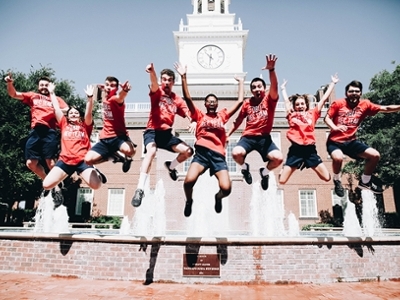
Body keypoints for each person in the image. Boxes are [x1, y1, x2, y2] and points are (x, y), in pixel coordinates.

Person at [174, 62, 244, 217]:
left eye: (214, 101)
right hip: (201, 155)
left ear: (217, 104)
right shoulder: (199, 115)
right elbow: (187, 98)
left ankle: (217, 198)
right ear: (205, 104)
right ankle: (189, 201)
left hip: (218, 157)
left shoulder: (223, 115)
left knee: (226, 189)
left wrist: (240, 83)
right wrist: (183, 76)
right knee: (188, 182)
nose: (212, 103)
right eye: (209, 101)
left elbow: (239, 102)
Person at [131, 63, 194, 208]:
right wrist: (152, 72)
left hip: (166, 135)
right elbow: (153, 83)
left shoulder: (176, 99)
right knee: (151, 151)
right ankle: (140, 189)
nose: (166, 82)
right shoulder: (157, 93)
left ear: (173, 82)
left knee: (188, 151)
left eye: (169, 80)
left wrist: (193, 122)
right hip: (152, 131)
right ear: (161, 81)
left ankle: (171, 166)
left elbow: (187, 112)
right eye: (164, 79)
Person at [324, 80, 400, 196]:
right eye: (351, 91)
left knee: (375, 155)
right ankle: (337, 179)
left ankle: (365, 182)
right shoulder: (338, 103)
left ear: (360, 93)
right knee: (338, 158)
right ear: (346, 93)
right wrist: (335, 127)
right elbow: (327, 118)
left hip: (351, 142)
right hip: (334, 142)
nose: (353, 93)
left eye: (356, 91)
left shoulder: (365, 105)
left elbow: (385, 108)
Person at [43, 83, 106, 206]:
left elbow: (88, 114)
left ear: (79, 116)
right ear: (67, 116)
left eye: (76, 113)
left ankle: (95, 171)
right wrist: (51, 92)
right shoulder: (63, 123)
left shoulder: (85, 126)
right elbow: (56, 109)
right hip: (65, 161)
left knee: (96, 185)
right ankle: (61, 181)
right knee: (46, 185)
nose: (73, 114)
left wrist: (89, 98)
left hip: (83, 161)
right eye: (71, 113)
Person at [227, 54, 282, 191]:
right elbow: (238, 120)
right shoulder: (247, 103)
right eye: (254, 87)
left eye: (259, 86)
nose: (257, 89)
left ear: (264, 88)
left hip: (264, 139)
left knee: (278, 158)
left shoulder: (270, 100)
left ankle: (264, 173)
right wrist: (227, 134)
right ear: (251, 90)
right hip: (248, 138)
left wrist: (271, 70)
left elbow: (275, 86)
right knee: (236, 153)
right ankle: (245, 169)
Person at [4, 73, 68, 182]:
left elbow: (66, 110)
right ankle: (46, 180)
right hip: (36, 131)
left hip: (50, 131)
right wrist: (10, 83)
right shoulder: (33, 96)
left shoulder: (56, 99)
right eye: (41, 85)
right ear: (38, 87)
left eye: (46, 85)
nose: (44, 87)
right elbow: (13, 94)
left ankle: (58, 185)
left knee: (51, 162)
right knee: (30, 163)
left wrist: (51, 111)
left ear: (50, 86)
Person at [278, 74, 339, 184]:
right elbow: (287, 102)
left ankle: (334, 179)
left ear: (306, 105)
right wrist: (283, 89)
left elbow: (324, 99)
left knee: (326, 178)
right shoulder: (291, 114)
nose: (300, 106)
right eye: (297, 104)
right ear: (294, 107)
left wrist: (332, 83)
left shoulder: (313, 113)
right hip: (295, 151)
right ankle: (286, 166)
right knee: (282, 181)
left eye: (302, 104)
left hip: (309, 151)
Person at [84, 76, 136, 173]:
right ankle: (113, 157)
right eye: (107, 85)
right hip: (105, 138)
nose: (109, 87)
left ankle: (128, 159)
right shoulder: (105, 97)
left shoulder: (115, 99)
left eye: (112, 86)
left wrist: (124, 90)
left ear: (116, 89)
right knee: (88, 160)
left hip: (119, 137)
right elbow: (103, 90)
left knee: (130, 151)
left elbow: (121, 96)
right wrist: (104, 88)